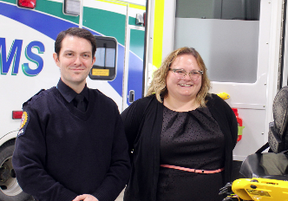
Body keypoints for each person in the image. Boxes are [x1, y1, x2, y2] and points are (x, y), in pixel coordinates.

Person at [12, 27, 130, 201]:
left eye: (85, 55)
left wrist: (99, 197)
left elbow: (121, 164)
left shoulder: (108, 108)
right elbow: (26, 168)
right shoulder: (39, 108)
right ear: (56, 59)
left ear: (92, 60)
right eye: (69, 54)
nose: (78, 61)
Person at [121, 47, 238, 201]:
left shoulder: (218, 107)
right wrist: (138, 176)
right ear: (165, 73)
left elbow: (230, 141)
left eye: (195, 72)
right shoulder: (143, 109)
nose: (187, 78)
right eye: (180, 71)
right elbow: (117, 150)